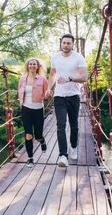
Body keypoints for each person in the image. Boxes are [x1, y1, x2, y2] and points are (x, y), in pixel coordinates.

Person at [46, 34, 88, 167]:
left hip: (74, 95)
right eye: (64, 43)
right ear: (61, 43)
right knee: (61, 125)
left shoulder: (78, 58)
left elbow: (84, 77)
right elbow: (52, 75)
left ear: (72, 44)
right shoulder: (55, 58)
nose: (66, 45)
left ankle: (74, 147)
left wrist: (69, 79)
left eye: (68, 43)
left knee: (74, 124)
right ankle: (63, 155)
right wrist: (48, 88)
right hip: (59, 96)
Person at [18, 57, 49, 168]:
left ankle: (42, 140)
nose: (32, 66)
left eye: (34, 64)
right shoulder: (22, 78)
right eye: (30, 64)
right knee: (28, 135)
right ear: (27, 66)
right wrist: (21, 103)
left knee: (38, 135)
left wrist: (47, 94)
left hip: (38, 109)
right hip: (26, 109)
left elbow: (46, 93)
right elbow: (19, 91)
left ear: (37, 66)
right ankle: (30, 158)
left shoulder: (42, 79)